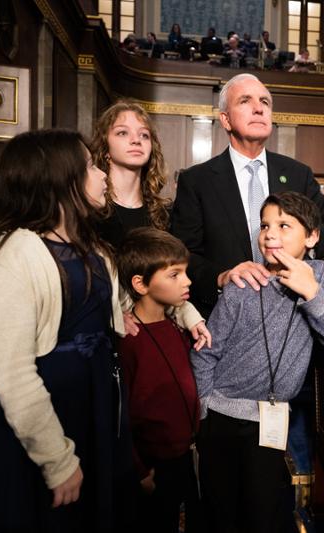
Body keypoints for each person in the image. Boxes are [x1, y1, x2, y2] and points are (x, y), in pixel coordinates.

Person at [0, 129, 137, 530]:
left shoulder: (91, 246)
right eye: (90, 166)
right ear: (59, 179)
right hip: (43, 414)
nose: (102, 175)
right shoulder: (14, 254)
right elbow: (12, 373)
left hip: (90, 403)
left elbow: (113, 305)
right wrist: (57, 459)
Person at [192, 191, 324, 533]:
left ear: (311, 236)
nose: (270, 234)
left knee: (263, 510)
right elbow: (207, 351)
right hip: (222, 414)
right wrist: (204, 406)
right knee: (220, 509)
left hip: (271, 418)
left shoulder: (319, 277)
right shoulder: (244, 281)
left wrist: (311, 294)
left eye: (284, 225)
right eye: (265, 225)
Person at [170, 73, 324, 318]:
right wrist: (221, 278)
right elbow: (182, 253)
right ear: (225, 119)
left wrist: (299, 247)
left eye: (265, 102)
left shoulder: (297, 174)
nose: (258, 109)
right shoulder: (197, 180)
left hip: (290, 312)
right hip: (226, 314)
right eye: (245, 101)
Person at [90, 99, 208, 343]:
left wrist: (189, 315)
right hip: (106, 336)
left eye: (144, 135)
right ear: (105, 148)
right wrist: (110, 314)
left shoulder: (164, 213)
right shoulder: (91, 212)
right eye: (123, 133)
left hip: (156, 332)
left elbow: (170, 274)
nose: (136, 140)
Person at [116, 227, 203, 532]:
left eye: (186, 272)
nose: (187, 281)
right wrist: (139, 470)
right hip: (150, 464)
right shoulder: (128, 340)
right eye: (174, 274)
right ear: (140, 283)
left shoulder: (176, 326)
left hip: (184, 456)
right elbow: (120, 414)